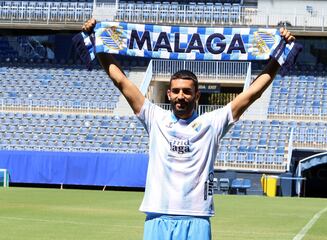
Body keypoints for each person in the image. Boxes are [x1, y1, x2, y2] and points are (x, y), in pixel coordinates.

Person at [82, 18, 295, 240]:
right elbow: (121, 82)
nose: (180, 96)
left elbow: (253, 93)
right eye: (176, 91)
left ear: (196, 95)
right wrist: (98, 44)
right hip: (158, 216)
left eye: (186, 91)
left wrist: (278, 58)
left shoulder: (212, 122)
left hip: (197, 217)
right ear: (168, 94)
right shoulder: (155, 118)